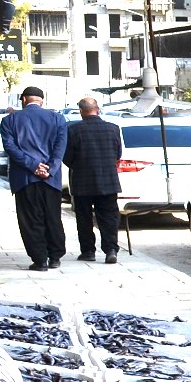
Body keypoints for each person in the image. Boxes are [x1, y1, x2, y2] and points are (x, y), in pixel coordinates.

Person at [0, 85, 68, 271]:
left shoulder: (9, 120)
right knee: (53, 217)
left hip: (25, 178)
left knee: (30, 220)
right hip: (50, 179)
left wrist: (33, 166)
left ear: (23, 100)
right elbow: (60, 148)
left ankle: (40, 260)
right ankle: (55, 256)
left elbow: (10, 148)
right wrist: (50, 168)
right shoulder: (58, 119)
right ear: (42, 101)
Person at [63, 97, 124, 264]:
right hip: (108, 181)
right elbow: (117, 154)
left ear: (81, 111)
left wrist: (79, 166)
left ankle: (88, 250)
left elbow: (67, 157)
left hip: (82, 181)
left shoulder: (74, 130)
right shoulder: (113, 128)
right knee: (108, 217)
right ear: (98, 109)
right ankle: (111, 249)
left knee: (84, 218)